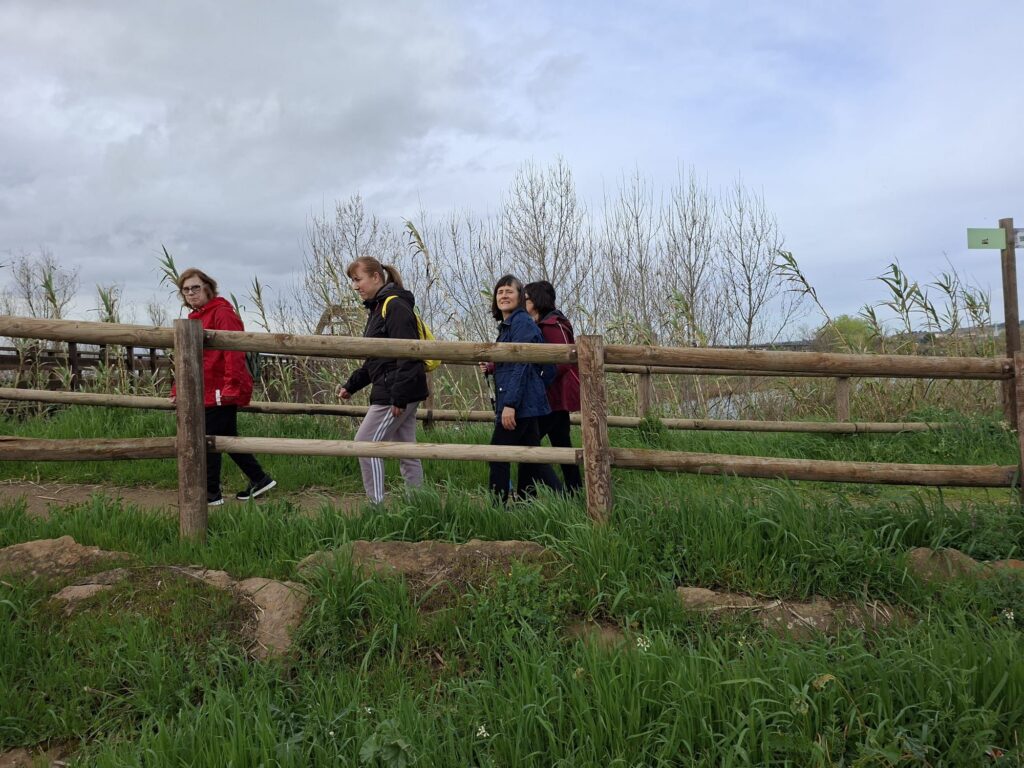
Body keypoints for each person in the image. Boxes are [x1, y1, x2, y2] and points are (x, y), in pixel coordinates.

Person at [171, 268, 276, 506]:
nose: (191, 293)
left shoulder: (222, 313)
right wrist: (179, 389)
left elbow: (234, 352)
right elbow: (187, 359)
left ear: (207, 288)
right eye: (186, 290)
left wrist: (232, 386)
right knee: (226, 437)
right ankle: (259, 479)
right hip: (206, 388)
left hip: (219, 389)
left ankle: (211, 493)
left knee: (208, 439)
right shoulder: (194, 318)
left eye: (195, 287)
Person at [337, 256, 429, 504]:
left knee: (365, 444)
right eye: (353, 281)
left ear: (376, 277)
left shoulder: (394, 306)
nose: (355, 286)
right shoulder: (378, 308)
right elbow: (377, 360)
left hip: (394, 392)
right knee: (406, 448)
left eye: (358, 279)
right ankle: (418, 503)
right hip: (399, 389)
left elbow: (409, 353)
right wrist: (351, 385)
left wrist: (398, 397)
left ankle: (376, 506)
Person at [480, 274, 562, 504]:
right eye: (500, 292)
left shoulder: (521, 323)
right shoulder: (510, 325)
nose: (504, 296)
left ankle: (498, 508)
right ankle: (555, 501)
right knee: (532, 456)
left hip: (518, 405)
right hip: (524, 402)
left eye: (510, 291)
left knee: (498, 454)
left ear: (520, 296)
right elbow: (541, 370)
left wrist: (511, 404)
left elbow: (522, 364)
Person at [523, 280, 583, 494]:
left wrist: (539, 380)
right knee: (562, 444)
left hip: (554, 396)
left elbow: (563, 360)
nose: (523, 303)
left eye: (526, 298)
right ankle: (574, 492)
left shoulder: (552, 326)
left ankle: (542, 494)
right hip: (555, 396)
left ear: (537, 300)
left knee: (526, 444)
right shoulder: (548, 323)